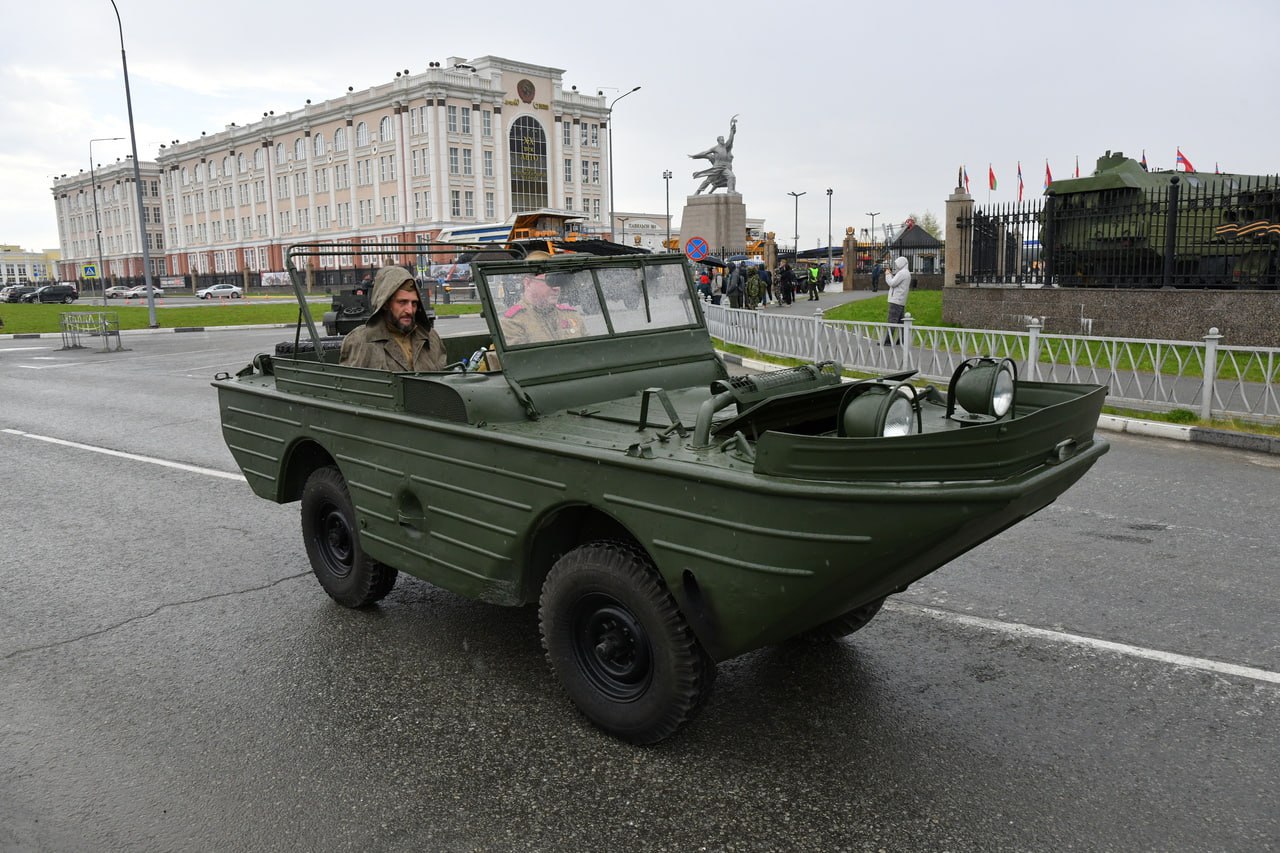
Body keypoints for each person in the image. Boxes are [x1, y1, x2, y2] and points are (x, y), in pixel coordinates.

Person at [339, 266, 445, 371]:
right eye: (402, 302)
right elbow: (353, 385)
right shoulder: (360, 342)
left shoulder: (431, 338)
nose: (410, 310)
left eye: (414, 303)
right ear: (385, 304)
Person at [500, 252, 587, 345]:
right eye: (550, 281)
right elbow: (521, 358)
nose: (556, 287)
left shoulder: (570, 315)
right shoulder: (513, 322)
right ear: (528, 283)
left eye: (558, 281)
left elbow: (589, 350)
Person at [689, 116, 738, 195]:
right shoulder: (715, 148)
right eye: (721, 139)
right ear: (718, 141)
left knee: (732, 177)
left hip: (724, 167)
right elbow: (704, 153)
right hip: (717, 167)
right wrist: (695, 156)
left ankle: (730, 190)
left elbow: (731, 138)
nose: (723, 140)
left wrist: (732, 129)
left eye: (723, 139)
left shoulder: (725, 146)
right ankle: (698, 191)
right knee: (708, 181)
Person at [882, 256, 912, 345]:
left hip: (896, 300)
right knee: (901, 322)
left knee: (892, 321)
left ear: (901, 263)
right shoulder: (906, 273)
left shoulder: (902, 273)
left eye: (897, 264)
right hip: (901, 300)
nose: (896, 265)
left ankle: (888, 341)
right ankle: (902, 340)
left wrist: (887, 274)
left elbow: (892, 283)